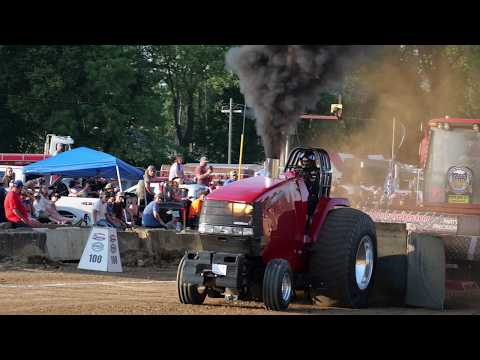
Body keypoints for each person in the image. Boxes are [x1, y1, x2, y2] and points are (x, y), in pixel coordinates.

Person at [299, 151, 320, 217]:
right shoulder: (298, 170)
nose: (305, 163)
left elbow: (315, 185)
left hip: (311, 194)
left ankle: (309, 219)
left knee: (311, 200)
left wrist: (308, 177)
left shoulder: (317, 171)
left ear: (312, 162)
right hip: (298, 192)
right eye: (303, 161)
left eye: (307, 161)